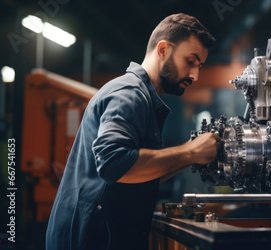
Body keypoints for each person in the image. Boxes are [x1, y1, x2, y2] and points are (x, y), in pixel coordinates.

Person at [45, 13, 219, 250]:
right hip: (90, 239)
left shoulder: (142, 97)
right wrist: (190, 152)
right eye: (191, 60)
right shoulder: (130, 93)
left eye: (199, 66)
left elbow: (137, 173)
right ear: (163, 50)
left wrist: (193, 156)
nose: (195, 75)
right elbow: (115, 164)